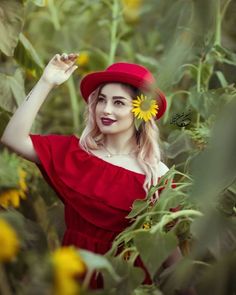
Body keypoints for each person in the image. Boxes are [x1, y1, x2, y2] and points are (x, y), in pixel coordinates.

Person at [0, 53, 182, 290]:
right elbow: (12, 138)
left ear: (140, 110)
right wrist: (47, 81)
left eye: (118, 102)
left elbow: (168, 251)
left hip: (121, 284)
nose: (105, 110)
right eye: (101, 100)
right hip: (71, 277)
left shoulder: (156, 175)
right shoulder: (77, 154)